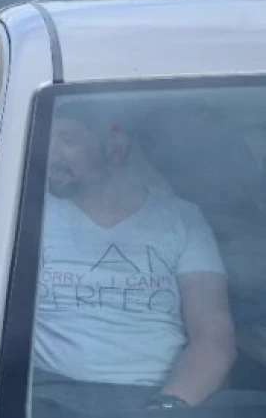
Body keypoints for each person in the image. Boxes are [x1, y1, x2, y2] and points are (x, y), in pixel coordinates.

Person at [33, 99, 236, 411]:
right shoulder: (29, 214)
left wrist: (167, 406)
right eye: (47, 139)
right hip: (50, 395)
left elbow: (213, 337)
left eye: (68, 140)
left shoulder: (182, 221)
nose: (50, 154)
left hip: (164, 396)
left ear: (115, 147)